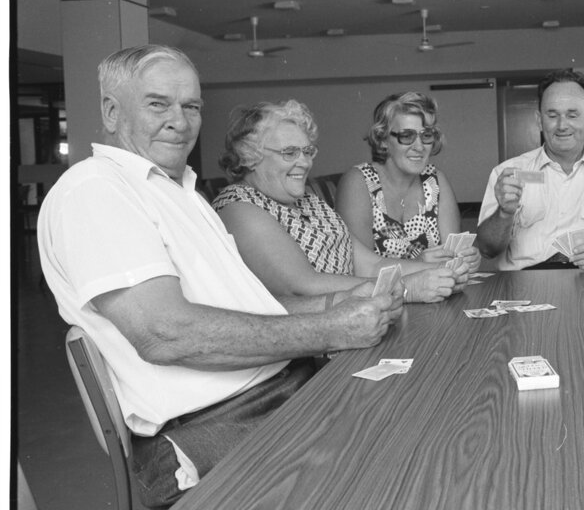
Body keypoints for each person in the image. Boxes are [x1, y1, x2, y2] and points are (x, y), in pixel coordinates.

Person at [37, 45, 402, 508]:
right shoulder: (95, 191)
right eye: (157, 103)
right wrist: (330, 326)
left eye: (191, 106)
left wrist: (346, 307)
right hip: (213, 432)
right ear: (111, 111)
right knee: (402, 467)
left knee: (415, 420)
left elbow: (250, 312)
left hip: (277, 394)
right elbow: (167, 334)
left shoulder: (181, 190)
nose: (179, 120)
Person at [212, 99, 480, 303]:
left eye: (307, 151)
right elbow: (303, 286)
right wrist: (409, 287)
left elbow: (371, 264)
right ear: (249, 156)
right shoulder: (239, 207)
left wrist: (441, 270)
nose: (304, 162)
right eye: (290, 152)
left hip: (363, 320)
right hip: (311, 353)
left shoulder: (308, 200)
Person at [477, 68, 584, 270]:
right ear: (539, 120)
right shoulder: (508, 173)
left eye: (572, 115)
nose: (562, 125)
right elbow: (487, 250)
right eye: (552, 115)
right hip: (525, 283)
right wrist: (504, 214)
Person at [337, 92, 462, 261]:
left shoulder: (435, 180)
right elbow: (359, 269)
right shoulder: (358, 182)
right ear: (382, 139)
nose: (419, 147)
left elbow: (452, 255)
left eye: (426, 135)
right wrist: (417, 266)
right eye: (406, 136)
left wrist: (464, 259)